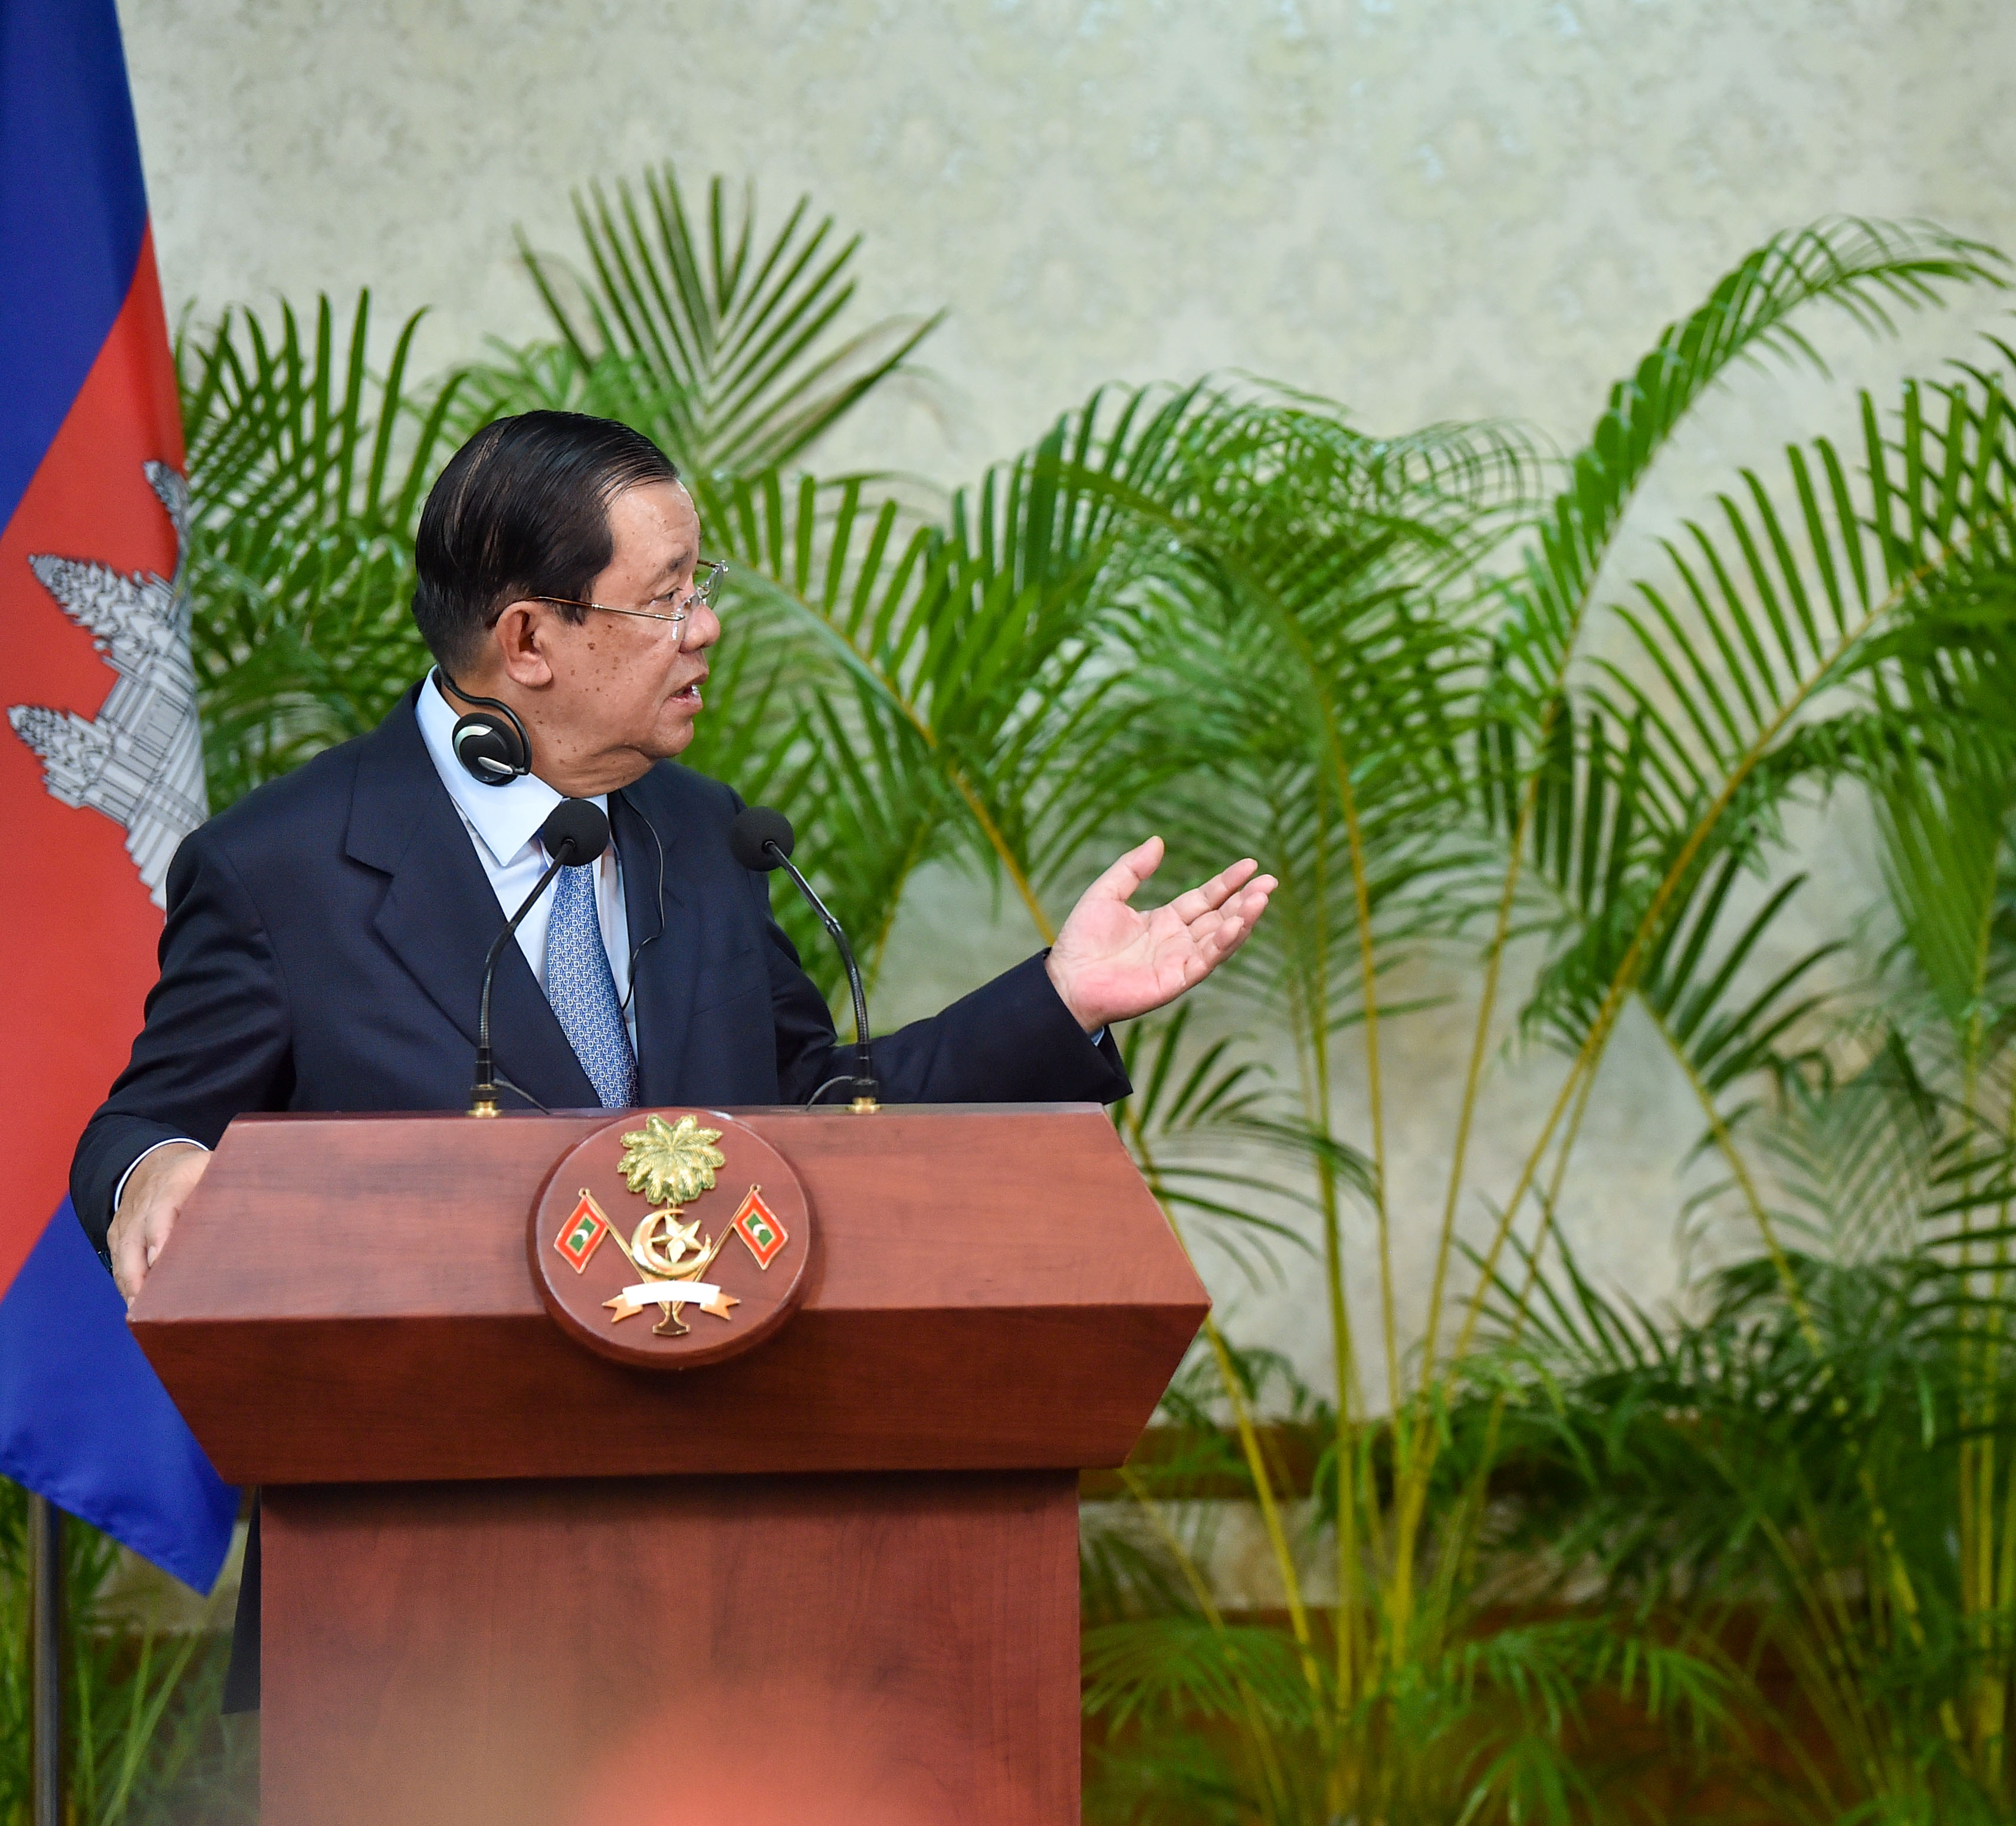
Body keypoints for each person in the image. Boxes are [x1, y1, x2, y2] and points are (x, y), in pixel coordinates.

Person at [71, 409, 1277, 1700]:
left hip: (735, 1595)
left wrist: (1059, 997)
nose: (705, 626)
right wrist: (156, 1171)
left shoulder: (699, 834)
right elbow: (140, 1124)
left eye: (703, 588)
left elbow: (820, 1113)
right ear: (530, 639)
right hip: (412, 1627)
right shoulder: (284, 866)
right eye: (665, 599)